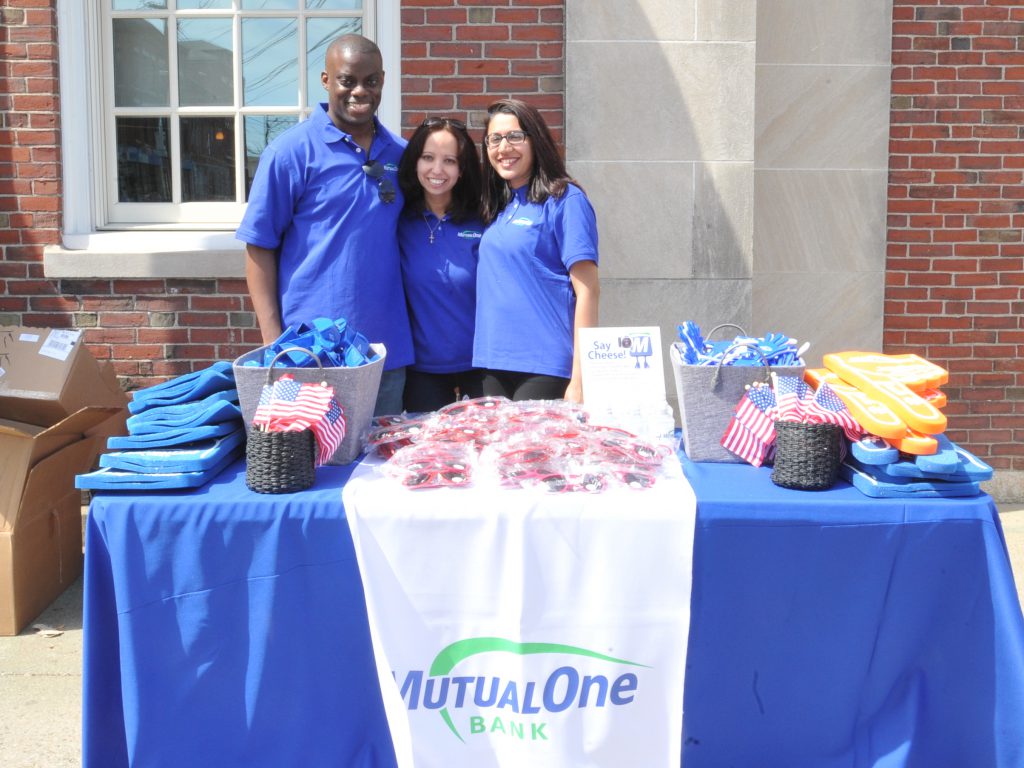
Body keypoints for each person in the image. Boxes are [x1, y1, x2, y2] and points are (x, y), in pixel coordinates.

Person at [236, 34, 414, 416]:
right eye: (347, 80)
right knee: (310, 469)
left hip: (386, 353)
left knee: (379, 468)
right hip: (309, 354)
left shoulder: (402, 155)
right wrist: (274, 347)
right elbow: (259, 248)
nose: (359, 91)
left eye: (371, 81)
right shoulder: (289, 153)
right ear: (326, 80)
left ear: (383, 80)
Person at [474, 98, 600, 403]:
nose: (504, 148)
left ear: (536, 139)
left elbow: (588, 291)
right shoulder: (498, 207)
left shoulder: (565, 200)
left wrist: (580, 380)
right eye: (495, 139)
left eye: (515, 136)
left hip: (545, 366)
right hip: (492, 363)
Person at [397, 117, 485, 412]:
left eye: (449, 161)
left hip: (480, 368)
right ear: (415, 162)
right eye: (428, 158)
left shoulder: (484, 221)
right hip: (421, 372)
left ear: (462, 170)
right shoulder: (397, 222)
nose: (437, 170)